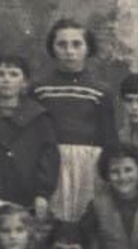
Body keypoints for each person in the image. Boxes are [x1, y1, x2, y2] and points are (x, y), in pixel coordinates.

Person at [0, 53, 60, 242]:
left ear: (24, 82)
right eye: (0, 74)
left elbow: (49, 155)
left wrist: (43, 193)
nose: (6, 80)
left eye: (13, 74)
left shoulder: (38, 116)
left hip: (27, 192)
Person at [34, 19, 118, 222]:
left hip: (90, 165)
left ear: (88, 48)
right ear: (52, 49)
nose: (69, 51)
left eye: (76, 44)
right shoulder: (39, 89)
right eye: (62, 45)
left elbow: (109, 138)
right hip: (51, 166)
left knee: (88, 220)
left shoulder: (100, 90)